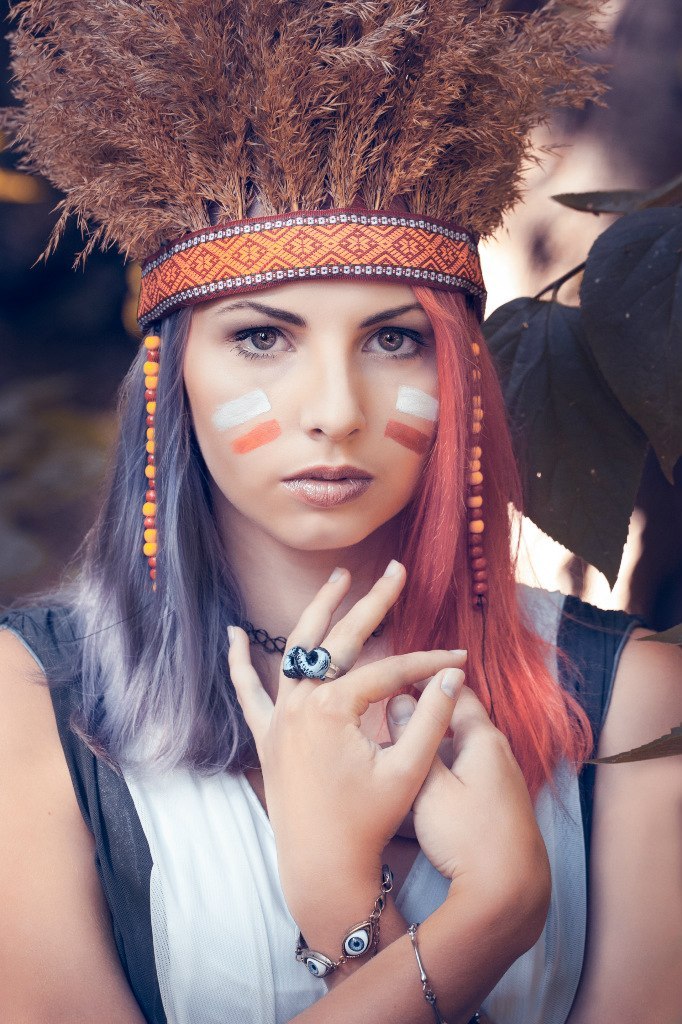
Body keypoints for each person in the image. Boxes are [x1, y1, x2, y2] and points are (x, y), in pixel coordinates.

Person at [1, 3, 680, 1023]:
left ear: (462, 373)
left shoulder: (636, 702)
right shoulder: (31, 702)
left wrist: (348, 923)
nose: (332, 412)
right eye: (263, 338)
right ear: (169, 373)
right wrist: (483, 919)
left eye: (393, 340)